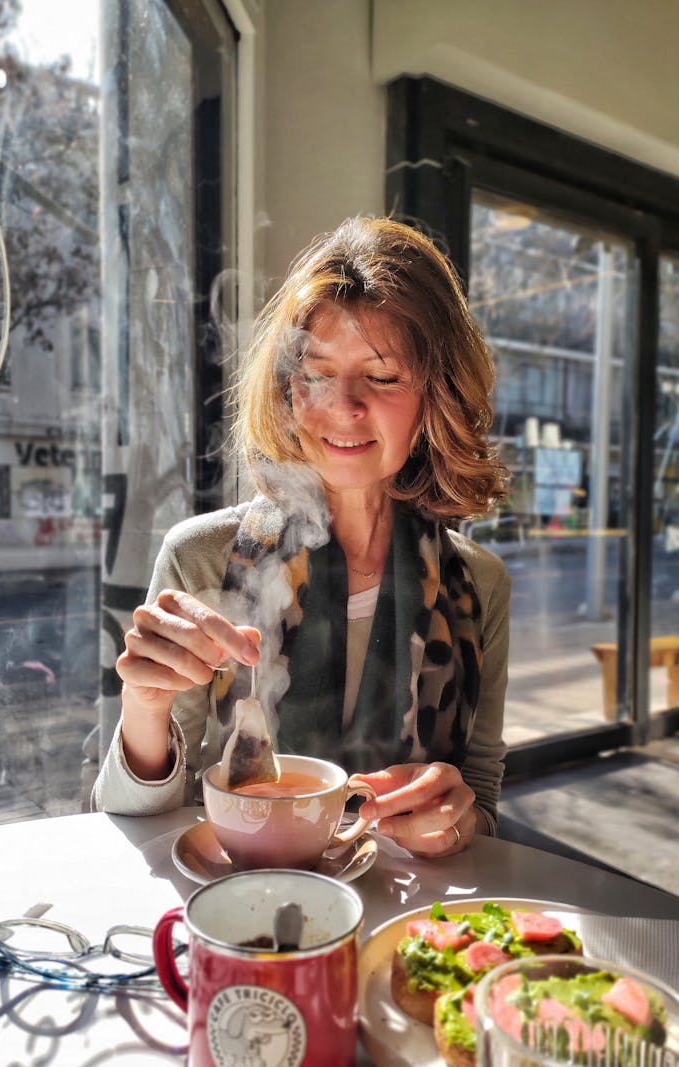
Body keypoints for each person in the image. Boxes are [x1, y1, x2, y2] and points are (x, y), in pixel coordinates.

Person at [93, 216, 511, 858]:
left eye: (384, 375)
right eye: (315, 373)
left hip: (400, 919)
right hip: (236, 903)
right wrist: (144, 708)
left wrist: (460, 818)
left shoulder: (478, 585)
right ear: (288, 389)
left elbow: (480, 796)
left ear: (437, 396)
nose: (343, 407)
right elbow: (134, 816)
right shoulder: (201, 557)